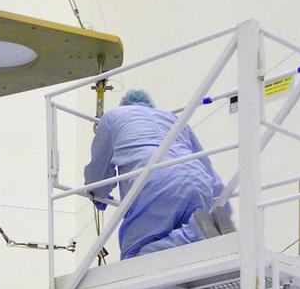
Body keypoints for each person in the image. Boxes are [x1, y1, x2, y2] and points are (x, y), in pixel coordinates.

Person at [83, 89, 233, 260]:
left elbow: (98, 173)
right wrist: (222, 207)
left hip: (156, 185)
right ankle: (204, 229)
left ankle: (195, 232)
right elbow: (206, 166)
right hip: (199, 183)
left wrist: (98, 196)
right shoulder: (174, 119)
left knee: (134, 259)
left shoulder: (112, 117)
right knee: (188, 253)